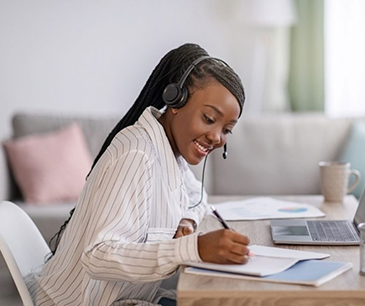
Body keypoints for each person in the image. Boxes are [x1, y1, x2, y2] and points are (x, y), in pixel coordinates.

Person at [25, 43, 250, 306]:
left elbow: (196, 196)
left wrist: (187, 220)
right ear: (175, 101)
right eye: (210, 119)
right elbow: (98, 255)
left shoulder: (170, 152)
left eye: (227, 130)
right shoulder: (138, 154)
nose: (217, 137)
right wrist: (194, 249)